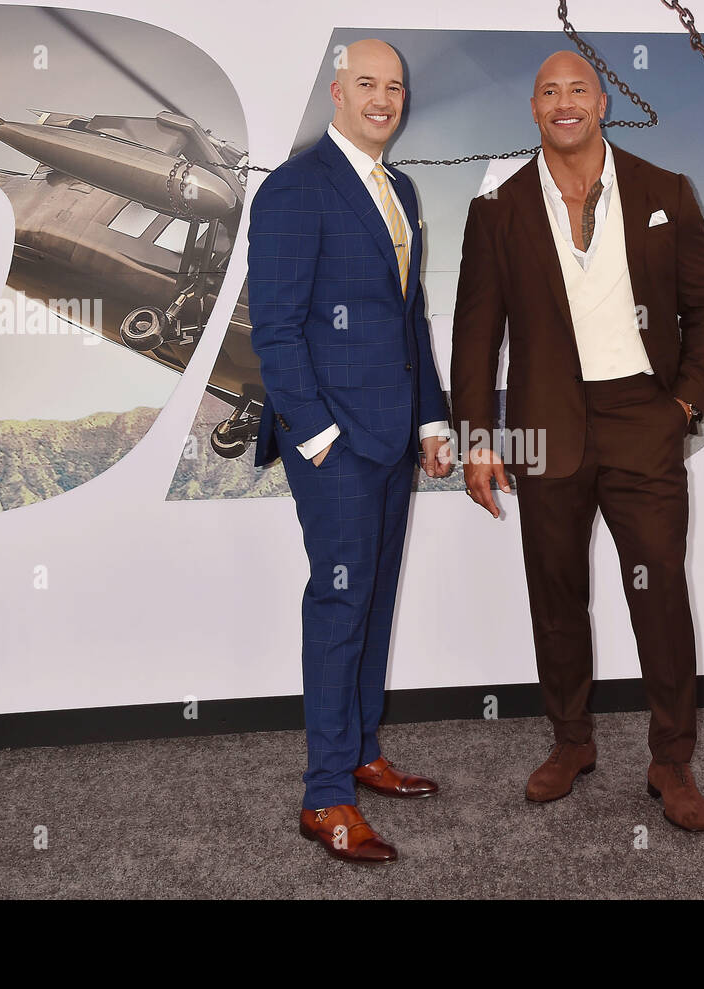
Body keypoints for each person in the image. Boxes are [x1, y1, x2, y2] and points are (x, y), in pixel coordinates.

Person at [450, 50, 704, 832]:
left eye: (578, 89)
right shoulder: (497, 210)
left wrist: (682, 405)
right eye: (548, 91)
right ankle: (571, 741)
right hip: (544, 426)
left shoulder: (664, 191)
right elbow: (477, 336)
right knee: (556, 594)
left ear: (602, 102)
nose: (564, 102)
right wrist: (477, 436)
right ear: (533, 109)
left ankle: (671, 759)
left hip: (645, 418)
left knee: (660, 594)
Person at [247, 38, 452, 864]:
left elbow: (410, 320)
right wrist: (319, 434)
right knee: (338, 608)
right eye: (366, 83)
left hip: (395, 437)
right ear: (336, 92)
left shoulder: (396, 186)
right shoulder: (296, 188)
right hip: (333, 442)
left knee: (373, 597)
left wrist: (432, 424)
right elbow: (277, 326)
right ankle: (326, 793)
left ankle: (364, 749)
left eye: (393, 86)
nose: (382, 97)